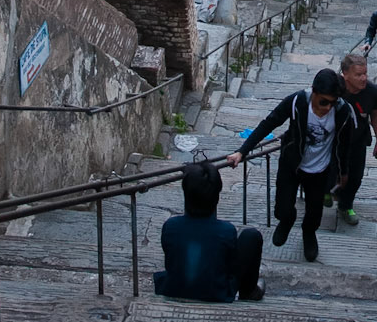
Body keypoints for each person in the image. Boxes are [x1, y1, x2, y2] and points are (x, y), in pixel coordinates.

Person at [235, 69, 360, 262]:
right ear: (314, 92)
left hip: (320, 171)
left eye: (332, 102)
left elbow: (345, 146)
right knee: (282, 209)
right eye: (323, 102)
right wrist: (242, 151)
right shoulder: (297, 102)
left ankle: (308, 234)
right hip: (292, 165)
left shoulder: (342, 111)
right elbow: (269, 123)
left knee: (314, 213)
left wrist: (343, 172)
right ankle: (287, 219)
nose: (328, 107)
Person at [154, 161, 264, 302]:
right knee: (251, 236)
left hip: (174, 287)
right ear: (216, 197)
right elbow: (229, 266)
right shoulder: (226, 230)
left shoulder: (171, 225)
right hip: (215, 292)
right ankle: (249, 292)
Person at [329, 49, 377, 226]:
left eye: (365, 74)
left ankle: (345, 205)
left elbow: (375, 114)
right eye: (358, 75)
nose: (363, 78)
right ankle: (326, 191)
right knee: (330, 171)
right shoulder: (333, 89)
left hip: (358, 140)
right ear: (345, 75)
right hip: (333, 140)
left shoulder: (372, 91)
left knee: (355, 177)